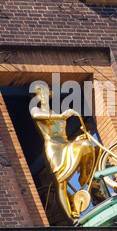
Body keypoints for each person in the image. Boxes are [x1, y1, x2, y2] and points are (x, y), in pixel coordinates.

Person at [30, 83, 95, 223]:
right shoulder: (36, 110)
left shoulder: (55, 113)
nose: (42, 95)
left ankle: (83, 176)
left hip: (66, 143)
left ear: (50, 93)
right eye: (38, 93)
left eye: (45, 92)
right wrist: (61, 116)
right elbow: (36, 115)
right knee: (61, 183)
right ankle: (72, 219)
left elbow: (64, 134)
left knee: (87, 144)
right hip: (53, 148)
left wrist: (76, 139)